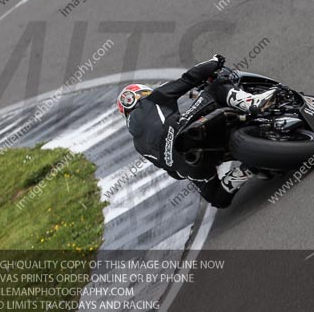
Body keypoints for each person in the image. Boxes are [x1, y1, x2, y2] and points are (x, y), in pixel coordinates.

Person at [117, 55, 275, 208]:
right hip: (185, 132)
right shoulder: (153, 99)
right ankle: (252, 102)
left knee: (215, 197)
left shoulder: (138, 144)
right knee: (217, 87)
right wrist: (214, 62)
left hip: (187, 166)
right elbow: (188, 79)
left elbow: (173, 173)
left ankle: (245, 171)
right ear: (142, 94)